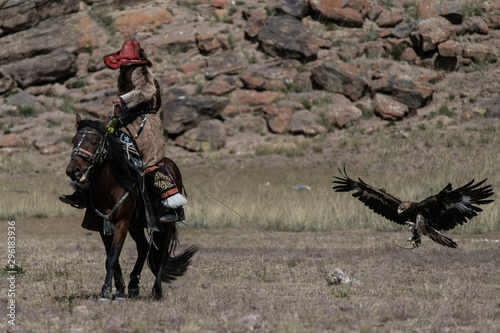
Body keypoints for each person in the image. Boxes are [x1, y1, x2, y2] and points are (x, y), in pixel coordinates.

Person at [60, 40, 186, 223]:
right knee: (102, 156)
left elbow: (148, 90)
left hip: (146, 124)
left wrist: (125, 100)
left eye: (127, 62)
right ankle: (83, 194)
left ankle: (175, 207)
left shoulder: (141, 71)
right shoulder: (123, 74)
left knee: (151, 164)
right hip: (124, 124)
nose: (123, 66)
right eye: (123, 62)